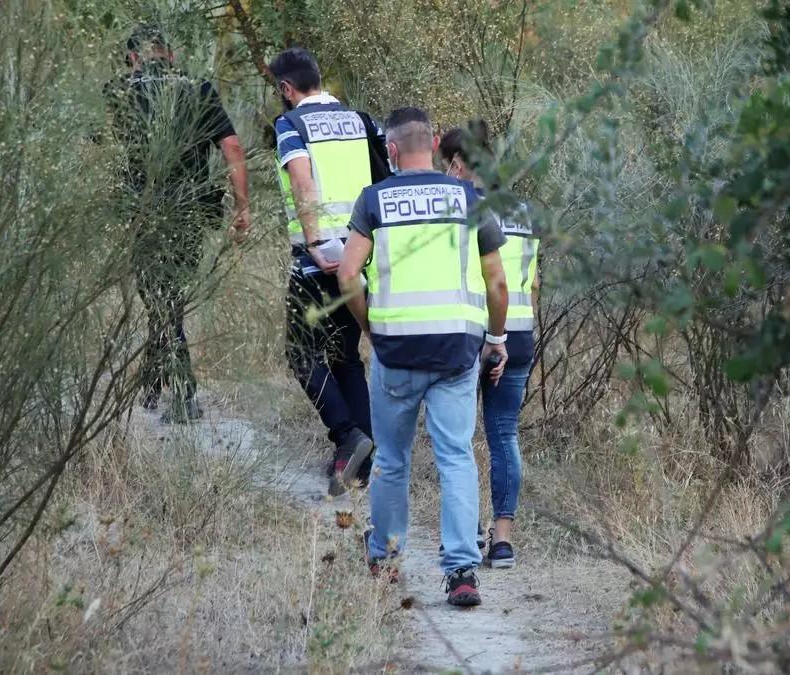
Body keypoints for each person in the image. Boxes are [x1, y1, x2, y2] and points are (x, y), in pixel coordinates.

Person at [338, 107, 509, 607]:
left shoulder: (374, 200)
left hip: (396, 352)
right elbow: (498, 281)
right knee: (455, 457)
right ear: (434, 144)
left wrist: (371, 326)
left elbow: (349, 275)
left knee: (391, 460)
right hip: (456, 351)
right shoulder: (469, 197)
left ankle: (386, 559)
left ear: (390, 150)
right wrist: (495, 337)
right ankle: (461, 571)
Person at [106, 25, 250, 423]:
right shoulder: (199, 88)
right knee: (169, 298)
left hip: (143, 213)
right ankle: (152, 384)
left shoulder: (120, 91)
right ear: (170, 55)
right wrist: (243, 207)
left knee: (161, 298)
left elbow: (104, 151)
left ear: (134, 58)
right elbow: (232, 147)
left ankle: (184, 394)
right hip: (191, 212)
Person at [268, 48, 390, 495]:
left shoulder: (291, 124)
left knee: (301, 355)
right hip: (360, 256)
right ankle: (362, 459)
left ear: (286, 89)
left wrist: (316, 241)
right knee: (343, 356)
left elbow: (302, 179)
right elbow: (387, 176)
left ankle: (346, 436)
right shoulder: (361, 120)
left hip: (317, 258)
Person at [440, 122, 540, 569]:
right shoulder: (523, 211)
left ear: (460, 164)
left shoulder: (463, 208)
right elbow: (528, 281)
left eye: (448, 164)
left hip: (477, 333)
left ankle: (461, 536)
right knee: (504, 434)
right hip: (520, 332)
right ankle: (502, 541)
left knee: (456, 442)